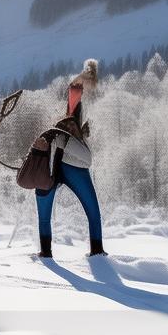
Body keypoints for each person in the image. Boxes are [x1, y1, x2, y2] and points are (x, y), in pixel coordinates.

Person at [36, 58, 106, 258]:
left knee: (44, 214)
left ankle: (46, 252)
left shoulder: (68, 113)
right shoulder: (73, 106)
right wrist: (87, 73)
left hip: (52, 166)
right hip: (71, 165)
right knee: (93, 210)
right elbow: (75, 88)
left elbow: (75, 89)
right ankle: (97, 251)